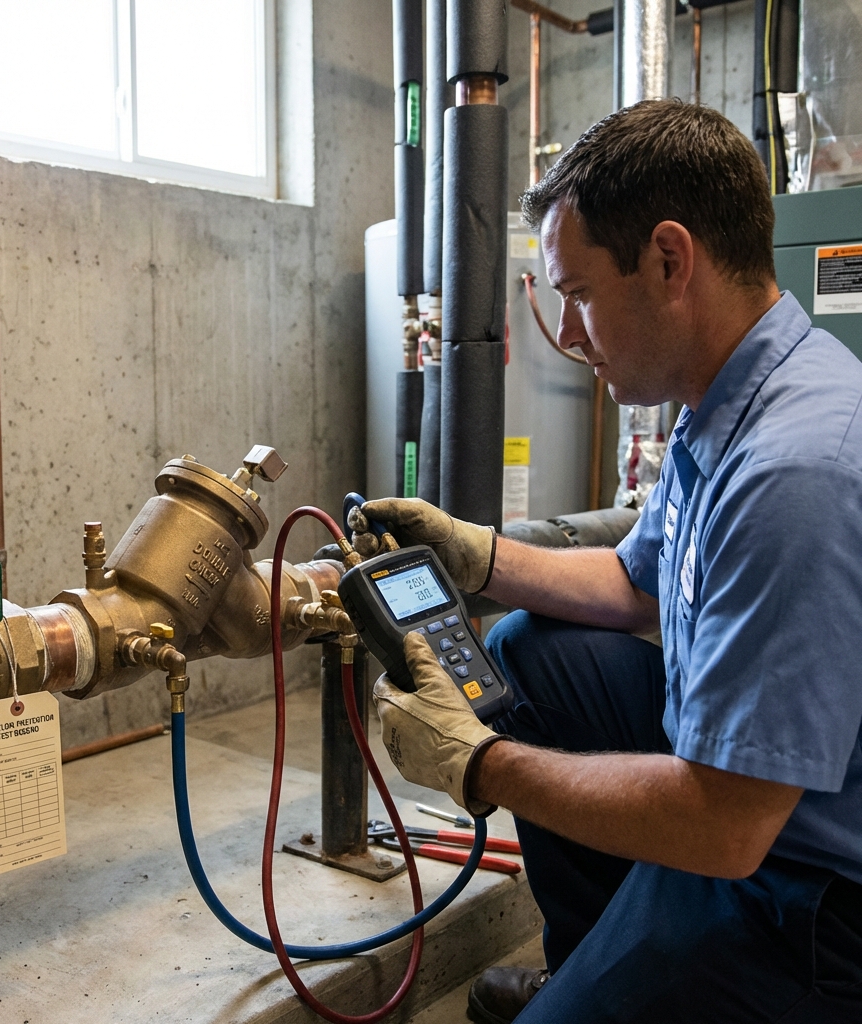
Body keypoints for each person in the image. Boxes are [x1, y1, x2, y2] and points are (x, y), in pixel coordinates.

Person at [357, 100, 862, 1023]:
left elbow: (726, 823)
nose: (569, 332)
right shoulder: (730, 404)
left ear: (670, 262)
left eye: (580, 292)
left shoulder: (797, 470)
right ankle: (595, 965)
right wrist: (473, 556)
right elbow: (636, 584)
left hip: (811, 896)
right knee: (534, 655)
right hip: (760, 813)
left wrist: (482, 764)